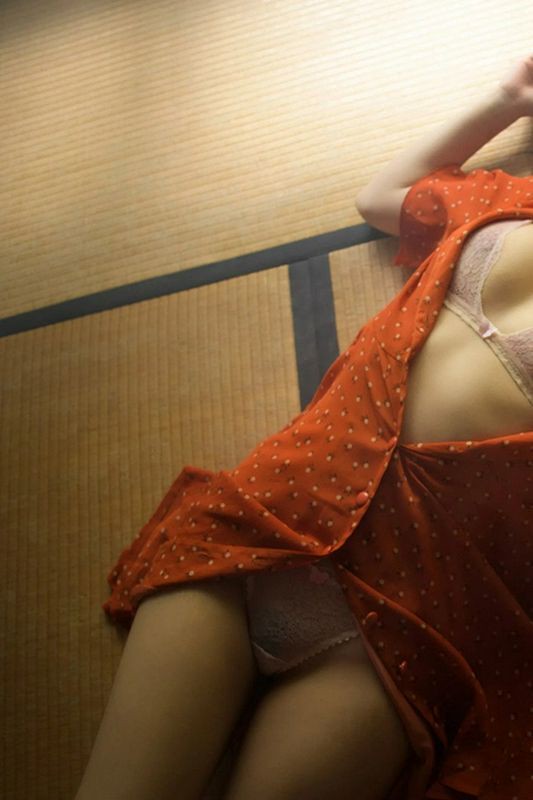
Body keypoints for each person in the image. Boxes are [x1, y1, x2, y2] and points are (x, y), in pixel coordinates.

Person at [75, 55, 533, 800]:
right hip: (264, 529)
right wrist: (506, 101)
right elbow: (379, 197)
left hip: (405, 632)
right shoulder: (505, 199)